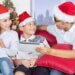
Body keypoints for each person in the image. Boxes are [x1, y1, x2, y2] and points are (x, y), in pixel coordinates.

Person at [36, 1, 75, 75]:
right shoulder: (56, 28)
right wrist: (32, 28)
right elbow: (43, 27)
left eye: (56, 20)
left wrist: (50, 51)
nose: (54, 22)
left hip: (72, 64)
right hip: (60, 63)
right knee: (54, 73)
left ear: (64, 22)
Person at [0, 4, 19, 75]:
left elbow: (13, 52)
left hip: (4, 60)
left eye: (9, 19)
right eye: (5, 21)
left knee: (4, 62)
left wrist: (3, 47)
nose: (9, 22)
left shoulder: (13, 34)